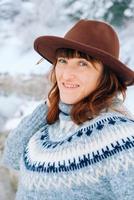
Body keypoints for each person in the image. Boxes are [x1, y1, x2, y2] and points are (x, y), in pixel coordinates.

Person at [1, 19, 134, 200]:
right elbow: (11, 156)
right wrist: (50, 105)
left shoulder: (120, 137)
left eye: (82, 64)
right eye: (63, 61)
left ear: (106, 76)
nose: (66, 74)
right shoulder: (50, 126)